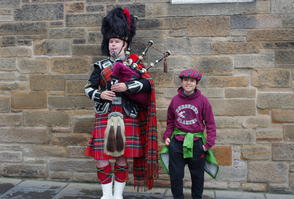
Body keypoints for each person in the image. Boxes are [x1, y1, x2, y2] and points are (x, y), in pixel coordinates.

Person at [84, 7, 159, 199]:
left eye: (116, 42)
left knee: (122, 159)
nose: (113, 45)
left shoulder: (135, 64)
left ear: (125, 43)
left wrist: (128, 87)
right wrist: (100, 95)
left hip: (127, 114)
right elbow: (88, 88)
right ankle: (106, 195)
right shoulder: (100, 66)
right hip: (105, 114)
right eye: (111, 42)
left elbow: (147, 84)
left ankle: (117, 196)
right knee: (101, 159)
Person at [163, 69, 217, 199]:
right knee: (175, 176)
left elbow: (210, 123)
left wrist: (208, 144)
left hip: (196, 142)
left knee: (197, 176)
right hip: (177, 143)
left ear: (196, 83)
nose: (188, 83)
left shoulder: (203, 101)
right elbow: (170, 121)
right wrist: (167, 136)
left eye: (192, 81)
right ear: (181, 82)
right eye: (186, 80)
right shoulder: (175, 100)